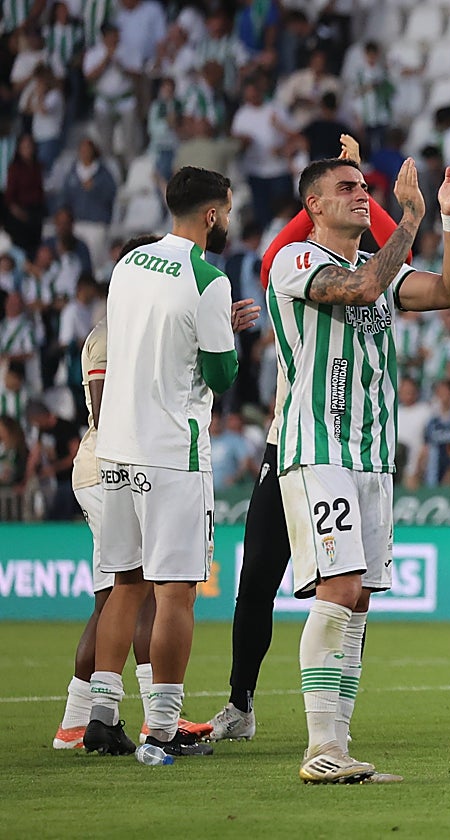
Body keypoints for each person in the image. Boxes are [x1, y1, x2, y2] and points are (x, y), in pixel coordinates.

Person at [204, 137, 450, 746]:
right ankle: (318, 744)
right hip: (315, 446)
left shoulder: (378, 267)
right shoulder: (297, 261)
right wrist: (407, 219)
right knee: (339, 585)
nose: (361, 195)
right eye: (347, 189)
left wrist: (449, 220)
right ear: (315, 206)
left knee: (359, 602)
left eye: (363, 187)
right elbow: (362, 291)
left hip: (373, 457)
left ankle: (339, 742)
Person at [83, 167, 258, 758]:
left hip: (118, 446)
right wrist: (227, 338)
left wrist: (211, 329)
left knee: (124, 584)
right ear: (212, 214)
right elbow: (220, 374)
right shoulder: (208, 277)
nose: (229, 222)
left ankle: (102, 715)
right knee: (177, 591)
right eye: (228, 211)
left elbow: (147, 336)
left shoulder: (129, 263)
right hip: (172, 453)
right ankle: (162, 727)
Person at [53, 235, 213, 750]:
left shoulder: (132, 331)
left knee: (121, 595)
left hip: (114, 464)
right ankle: (140, 718)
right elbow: (103, 411)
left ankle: (85, 720)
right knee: (137, 592)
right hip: (113, 465)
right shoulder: (108, 338)